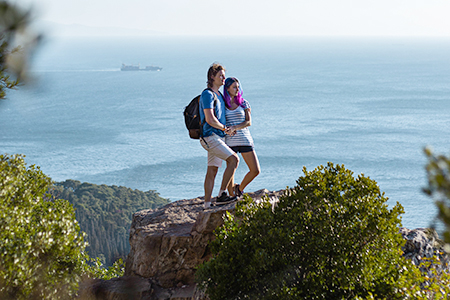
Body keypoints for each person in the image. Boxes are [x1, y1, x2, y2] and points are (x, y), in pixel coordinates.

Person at [199, 63, 240, 208]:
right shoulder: (207, 94)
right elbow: (210, 119)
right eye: (220, 75)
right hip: (210, 137)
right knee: (234, 160)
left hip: (218, 137)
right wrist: (225, 128)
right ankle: (222, 194)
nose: (224, 78)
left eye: (224, 75)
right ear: (212, 77)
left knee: (212, 170)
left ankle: (207, 204)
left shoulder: (219, 95)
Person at [223, 77, 260, 197]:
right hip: (229, 141)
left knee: (255, 170)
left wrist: (235, 127)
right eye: (234, 87)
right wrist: (225, 129)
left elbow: (248, 122)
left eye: (238, 87)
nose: (237, 89)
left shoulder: (244, 102)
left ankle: (239, 188)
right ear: (227, 88)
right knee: (231, 171)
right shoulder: (222, 104)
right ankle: (231, 196)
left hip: (245, 139)